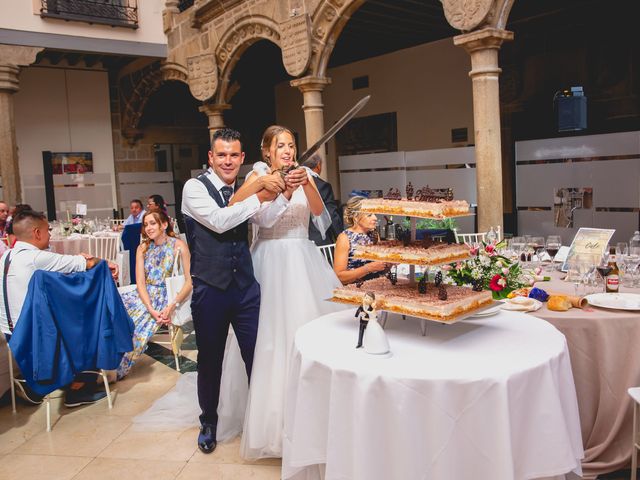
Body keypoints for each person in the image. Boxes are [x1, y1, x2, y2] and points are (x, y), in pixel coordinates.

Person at [233, 125, 345, 460]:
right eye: (280, 145)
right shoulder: (257, 175)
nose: (287, 150)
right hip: (269, 258)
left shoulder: (303, 172)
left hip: (302, 256)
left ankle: (315, 414)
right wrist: (282, 191)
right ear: (266, 150)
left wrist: (307, 183)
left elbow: (319, 217)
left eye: (291, 145)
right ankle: (271, 421)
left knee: (309, 333)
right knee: (271, 340)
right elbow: (262, 221)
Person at [181, 127, 287, 454]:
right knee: (210, 360)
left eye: (234, 155)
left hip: (245, 289)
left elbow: (265, 223)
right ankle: (208, 422)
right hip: (210, 290)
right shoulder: (194, 188)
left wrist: (283, 193)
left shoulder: (247, 187)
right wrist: (259, 194)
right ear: (211, 157)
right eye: (221, 155)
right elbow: (219, 220)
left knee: (258, 357)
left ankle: (263, 423)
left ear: (242, 158)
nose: (228, 161)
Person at [0, 210, 119, 406]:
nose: (51, 235)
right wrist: (106, 263)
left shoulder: (7, 257)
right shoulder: (35, 258)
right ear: (37, 233)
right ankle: (78, 389)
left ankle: (60, 380)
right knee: (90, 324)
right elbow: (87, 264)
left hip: (12, 335)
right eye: (48, 230)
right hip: (33, 340)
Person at [116, 210, 192, 379]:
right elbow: (140, 282)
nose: (148, 228)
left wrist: (172, 305)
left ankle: (115, 368)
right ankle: (102, 362)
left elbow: (189, 281)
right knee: (117, 313)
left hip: (166, 297)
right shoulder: (142, 248)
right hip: (144, 296)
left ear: (164, 225)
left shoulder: (178, 245)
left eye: (152, 223)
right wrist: (149, 307)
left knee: (135, 325)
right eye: (145, 224)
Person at [333, 196, 390, 285]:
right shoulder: (344, 238)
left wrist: (389, 264)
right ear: (355, 217)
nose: (375, 218)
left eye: (375, 214)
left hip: (376, 285)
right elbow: (340, 277)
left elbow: (380, 270)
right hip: (354, 289)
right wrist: (368, 268)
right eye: (369, 215)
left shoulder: (374, 234)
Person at [301, 155, 343, 246]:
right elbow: (332, 214)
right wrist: (340, 236)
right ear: (318, 165)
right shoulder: (323, 186)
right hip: (320, 241)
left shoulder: (293, 183)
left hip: (300, 242)